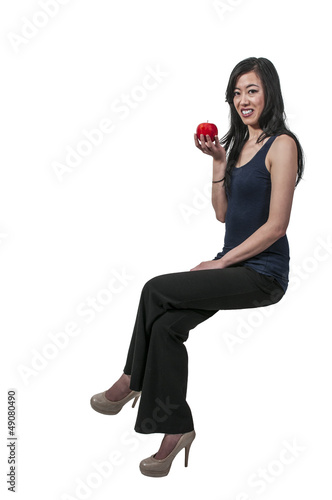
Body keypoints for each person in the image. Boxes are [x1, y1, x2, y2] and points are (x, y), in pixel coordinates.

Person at [90, 56, 304, 478]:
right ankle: (176, 430)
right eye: (237, 92)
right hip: (233, 267)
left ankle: (132, 378)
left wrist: (220, 262)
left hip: (263, 274)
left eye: (252, 90)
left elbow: (277, 226)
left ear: (270, 93)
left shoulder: (283, 145)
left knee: (155, 289)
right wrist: (219, 162)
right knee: (167, 327)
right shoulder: (239, 145)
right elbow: (224, 215)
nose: (243, 99)